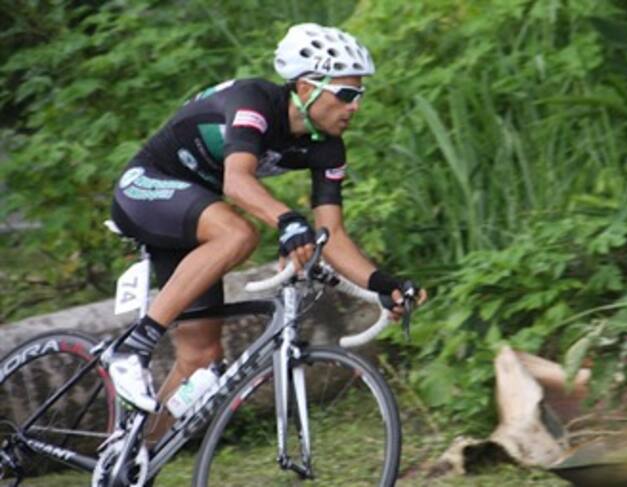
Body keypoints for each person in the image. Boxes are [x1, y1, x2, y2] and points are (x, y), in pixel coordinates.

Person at [107, 22, 428, 418]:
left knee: (201, 359)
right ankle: (131, 350)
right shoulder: (254, 102)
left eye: (360, 95)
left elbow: (333, 234)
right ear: (307, 88)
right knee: (239, 234)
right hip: (146, 187)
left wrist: (382, 284)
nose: (355, 106)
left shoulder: (327, 148)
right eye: (347, 94)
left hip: (194, 214)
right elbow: (237, 181)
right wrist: (288, 221)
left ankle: (135, 452)